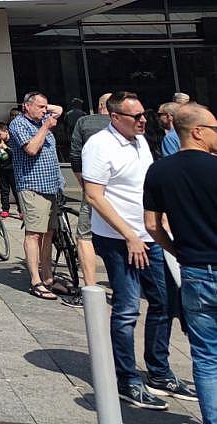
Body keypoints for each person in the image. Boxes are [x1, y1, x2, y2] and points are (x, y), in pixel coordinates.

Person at [82, 91, 198, 409]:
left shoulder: (140, 141)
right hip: (119, 240)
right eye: (136, 116)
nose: (144, 120)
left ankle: (159, 372)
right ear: (115, 117)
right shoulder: (100, 145)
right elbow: (94, 195)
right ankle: (126, 379)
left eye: (144, 114)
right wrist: (129, 235)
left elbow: (145, 187)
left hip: (149, 235)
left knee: (163, 303)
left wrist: (161, 221)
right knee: (127, 308)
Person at [144, 102, 217, 422]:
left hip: (194, 270)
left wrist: (176, 250)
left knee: (206, 357)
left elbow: (151, 225)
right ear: (197, 132)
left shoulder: (159, 170)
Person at [9, 92, 69, 300]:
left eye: (45, 107)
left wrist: (43, 108)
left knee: (48, 233)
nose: (45, 111)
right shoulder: (19, 124)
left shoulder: (42, 118)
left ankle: (48, 277)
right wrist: (45, 127)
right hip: (33, 186)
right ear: (26, 107)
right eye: (40, 107)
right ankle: (35, 281)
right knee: (34, 234)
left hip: (52, 185)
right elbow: (32, 149)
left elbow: (59, 109)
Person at [69, 93, 112, 294]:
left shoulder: (85, 122)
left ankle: (90, 287)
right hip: (121, 190)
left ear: (100, 105)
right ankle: (119, 281)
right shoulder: (128, 125)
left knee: (85, 236)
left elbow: (75, 156)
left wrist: (84, 183)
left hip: (94, 187)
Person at [0, 122, 17, 218]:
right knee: (4, 191)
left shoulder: (13, 142)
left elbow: (16, 155)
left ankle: (21, 210)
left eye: (0, 134)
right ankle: (5, 209)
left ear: (6, 132)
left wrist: (6, 148)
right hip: (1, 170)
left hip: (12, 170)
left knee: (15, 190)